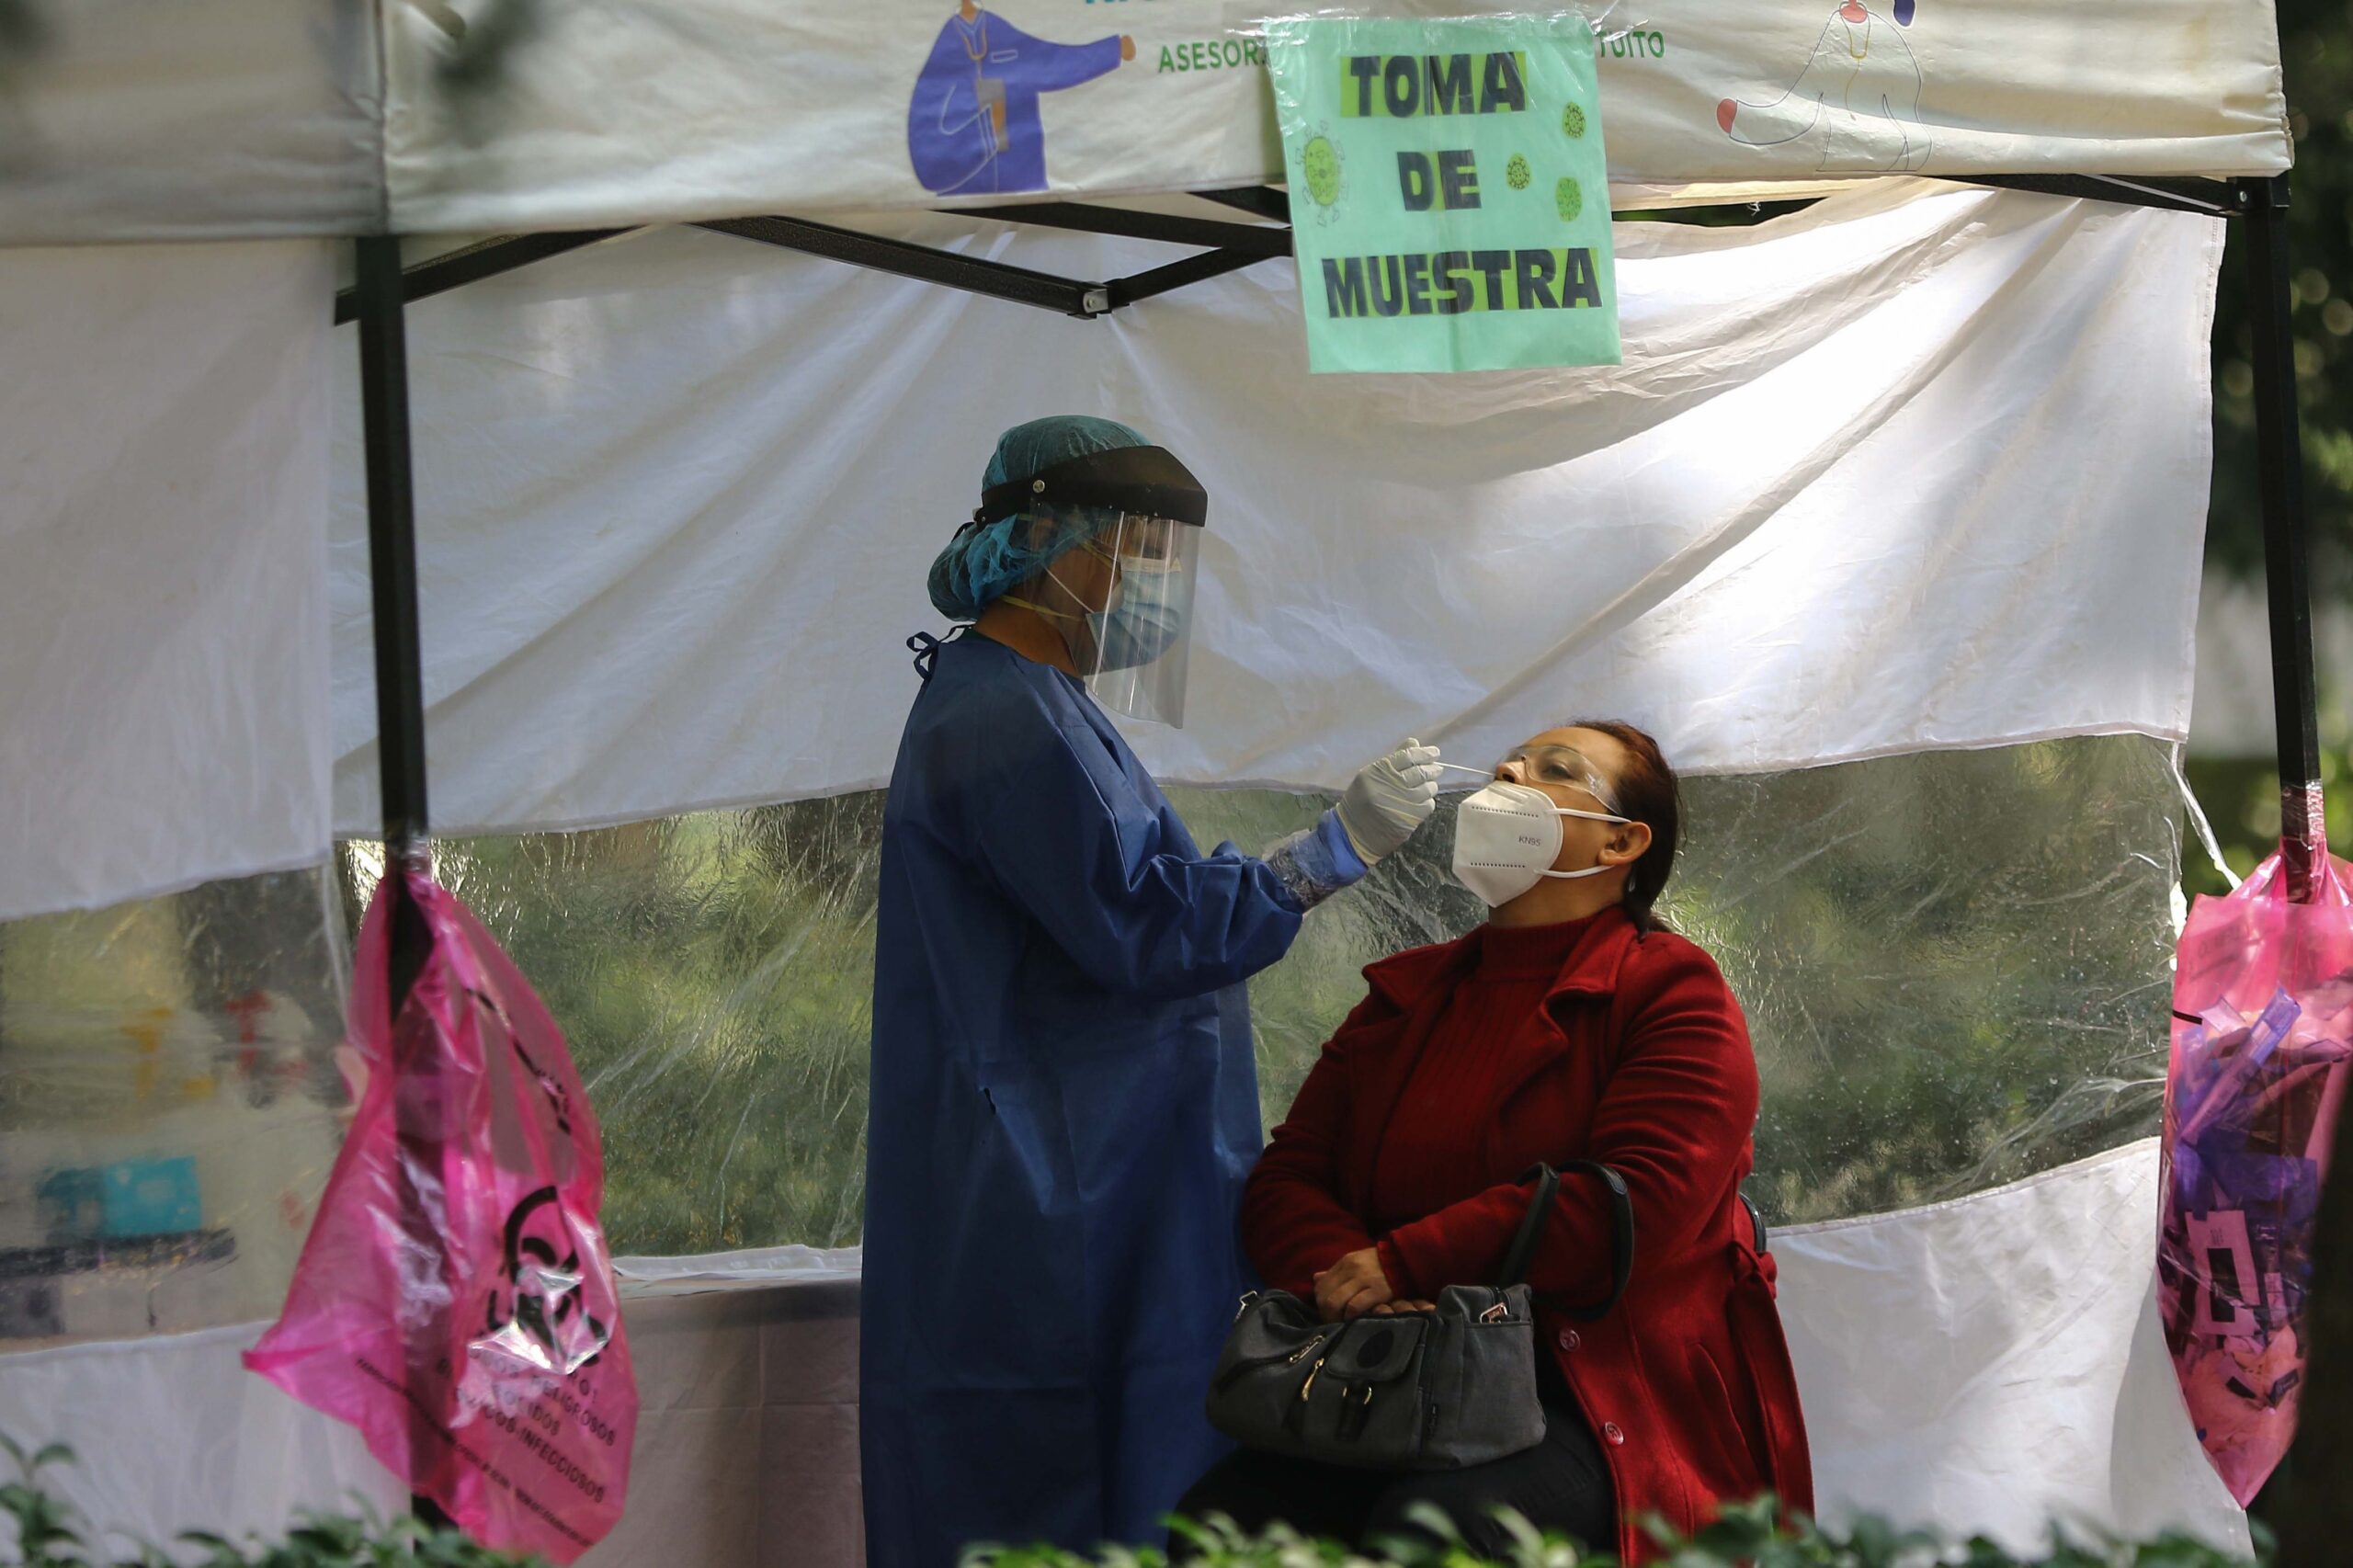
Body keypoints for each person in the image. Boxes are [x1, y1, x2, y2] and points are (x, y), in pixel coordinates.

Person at [860, 415, 1448, 1567]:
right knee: (1061, 1486)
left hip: (1101, 1171)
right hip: (1060, 1188)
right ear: (1050, 541)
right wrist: (1322, 855)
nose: (1152, 585)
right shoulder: (1000, 716)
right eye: (1137, 550)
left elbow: (1126, 898)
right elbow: (1141, 923)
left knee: (1120, 1476)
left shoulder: (1036, 701)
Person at [1175, 722, 1813, 1564]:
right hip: (1400, 1375)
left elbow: (1639, 1204)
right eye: (1513, 758)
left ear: (1622, 843)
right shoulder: (1404, 997)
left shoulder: (1672, 992)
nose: (1509, 770)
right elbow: (1290, 1178)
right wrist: (1352, 1283)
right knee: (1223, 1524)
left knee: (1437, 1530)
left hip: (1595, 1399)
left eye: (1556, 769)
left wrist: (1404, 1264)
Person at [906, 1, 1136, 197]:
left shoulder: (1002, 36)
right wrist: (989, 127)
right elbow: (924, 134)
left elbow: (1055, 64)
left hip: (1024, 188)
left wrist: (1113, 50)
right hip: (963, 197)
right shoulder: (945, 50)